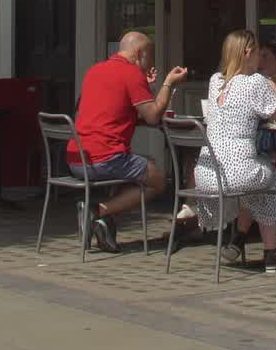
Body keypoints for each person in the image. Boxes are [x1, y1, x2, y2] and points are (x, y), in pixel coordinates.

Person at [66, 31, 186, 253]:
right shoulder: (131, 74)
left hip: (77, 158)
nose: (150, 63)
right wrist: (168, 83)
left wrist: (144, 86)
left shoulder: (95, 70)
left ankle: (104, 224)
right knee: (158, 180)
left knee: (136, 168)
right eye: (150, 57)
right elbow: (153, 116)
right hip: (105, 158)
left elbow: (108, 108)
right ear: (139, 53)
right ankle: (98, 211)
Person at [195, 29, 276, 272]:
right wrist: (273, 87)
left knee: (255, 181)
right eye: (258, 52)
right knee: (271, 183)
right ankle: (271, 253)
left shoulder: (216, 81)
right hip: (236, 172)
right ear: (248, 53)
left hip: (207, 173)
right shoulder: (256, 82)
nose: (260, 58)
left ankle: (238, 240)